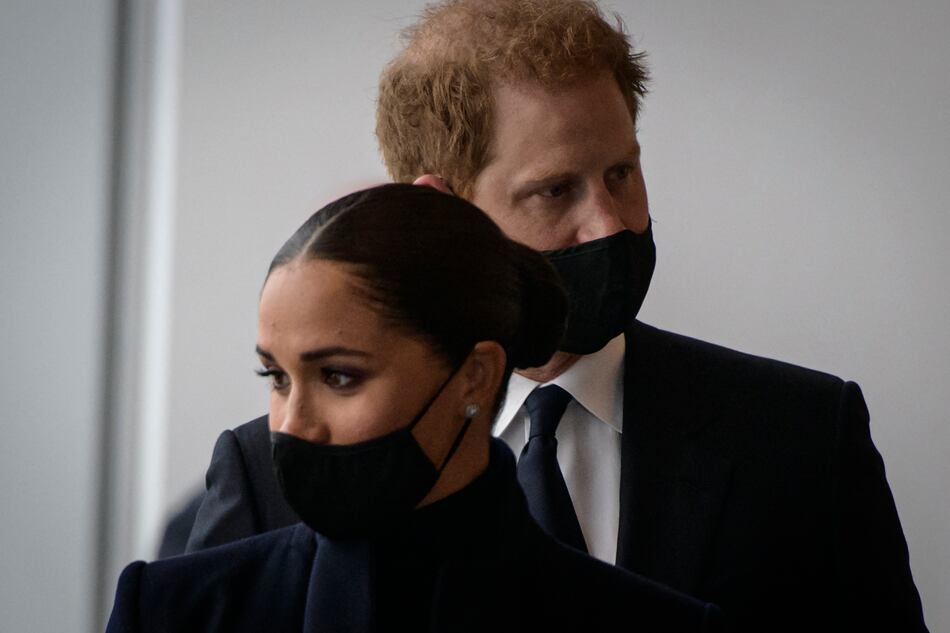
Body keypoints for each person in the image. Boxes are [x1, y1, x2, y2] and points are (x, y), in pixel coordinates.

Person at [185, 1, 928, 631]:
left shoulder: (802, 437)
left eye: (621, 173)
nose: (610, 224)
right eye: (554, 191)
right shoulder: (274, 473)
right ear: (444, 211)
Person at [107, 184, 722, 632]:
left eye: (339, 376)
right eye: (277, 378)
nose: (292, 425)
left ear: (474, 377)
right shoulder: (172, 610)